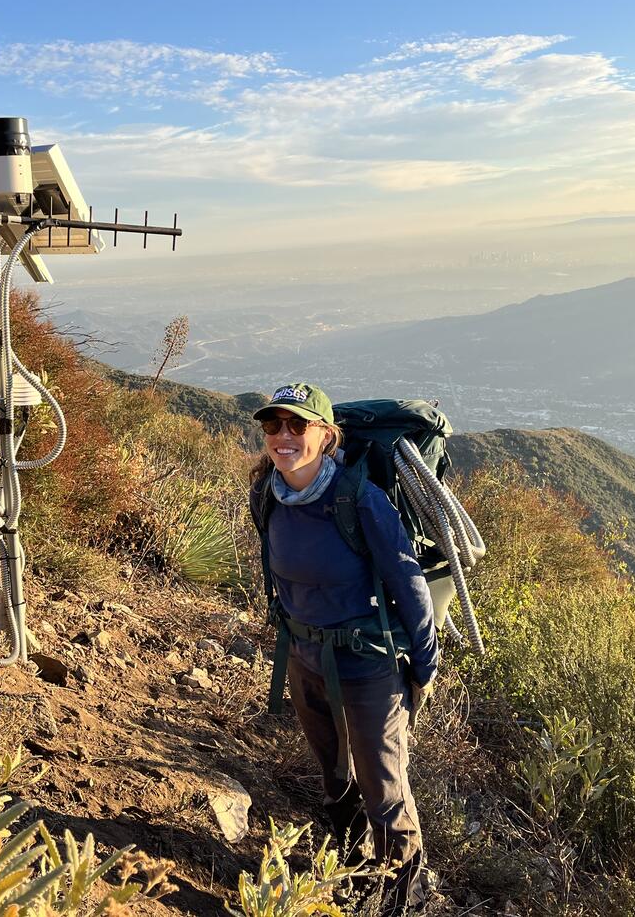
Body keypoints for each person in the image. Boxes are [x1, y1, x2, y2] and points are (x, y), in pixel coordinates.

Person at [248, 382, 438, 913]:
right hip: (305, 658)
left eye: (297, 425)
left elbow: (409, 583)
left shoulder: (359, 500)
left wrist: (423, 664)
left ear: (327, 435)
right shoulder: (268, 494)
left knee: (384, 786)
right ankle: (352, 869)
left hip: (369, 665)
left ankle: (406, 896)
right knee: (334, 774)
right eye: (273, 425)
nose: (283, 436)